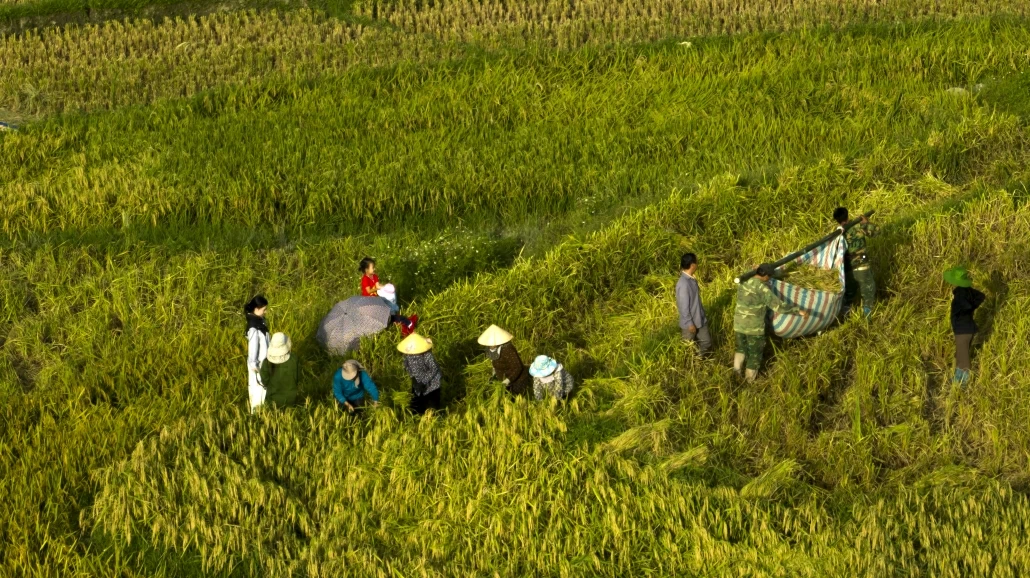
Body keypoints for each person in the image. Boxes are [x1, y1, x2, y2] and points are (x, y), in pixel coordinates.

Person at [733, 264, 808, 382]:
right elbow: (778, 306)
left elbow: (749, 270)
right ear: (766, 276)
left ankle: (735, 374)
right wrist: (798, 311)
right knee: (754, 355)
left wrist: (754, 268)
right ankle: (749, 381)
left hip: (738, 324)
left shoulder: (744, 279)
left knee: (741, 349)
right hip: (754, 328)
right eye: (769, 276)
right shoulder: (762, 288)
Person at [834, 207, 880, 318]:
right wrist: (866, 223)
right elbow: (877, 231)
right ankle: (867, 314)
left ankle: (844, 313)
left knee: (850, 292)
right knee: (868, 287)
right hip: (861, 263)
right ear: (847, 215)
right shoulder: (857, 226)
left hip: (847, 269)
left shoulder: (837, 234)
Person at [944, 266, 986, 385]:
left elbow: (965, 305)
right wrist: (973, 306)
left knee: (963, 357)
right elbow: (981, 296)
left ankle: (964, 382)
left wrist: (967, 308)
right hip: (966, 328)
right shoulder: (967, 290)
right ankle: (958, 378)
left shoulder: (961, 294)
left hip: (963, 330)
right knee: (960, 354)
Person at [477, 324, 531, 396]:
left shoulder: (508, 349)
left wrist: (508, 380)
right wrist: (494, 373)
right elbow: (493, 360)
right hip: (502, 379)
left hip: (516, 379)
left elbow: (518, 367)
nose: (490, 345)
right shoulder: (490, 349)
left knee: (513, 398)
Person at [675, 252, 712, 356]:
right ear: (692, 265)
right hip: (689, 323)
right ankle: (687, 366)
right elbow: (683, 306)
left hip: (700, 318)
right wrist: (689, 323)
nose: (698, 264)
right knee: (687, 348)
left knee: (706, 342)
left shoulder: (691, 279)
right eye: (697, 262)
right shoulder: (683, 284)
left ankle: (699, 360)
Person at [397, 333, 442, 414]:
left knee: (431, 408)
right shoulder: (407, 355)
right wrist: (413, 377)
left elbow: (434, 368)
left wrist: (423, 381)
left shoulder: (427, 355)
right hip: (417, 382)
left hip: (432, 383)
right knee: (416, 406)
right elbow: (407, 366)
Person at [259, 332, 299, 409]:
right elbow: (298, 378)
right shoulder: (294, 359)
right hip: (291, 400)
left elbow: (264, 381)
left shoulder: (266, 362)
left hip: (272, 401)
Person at [244, 295, 270, 413]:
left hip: (264, 362)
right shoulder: (253, 327)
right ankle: (256, 415)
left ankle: (262, 414)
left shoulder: (260, 323)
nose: (265, 312)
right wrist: (256, 367)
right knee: (257, 391)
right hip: (258, 365)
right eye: (264, 309)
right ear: (256, 309)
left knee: (264, 392)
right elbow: (253, 349)